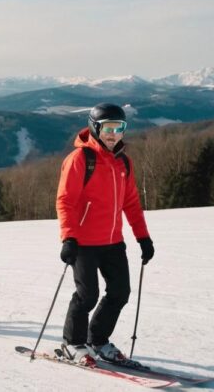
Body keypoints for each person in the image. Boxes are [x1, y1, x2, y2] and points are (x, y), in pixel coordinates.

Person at [56, 103, 155, 365]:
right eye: (108, 128)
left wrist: (143, 237)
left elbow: (131, 202)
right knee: (87, 296)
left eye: (119, 128)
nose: (113, 134)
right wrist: (68, 238)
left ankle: (97, 339)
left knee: (120, 292)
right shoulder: (80, 159)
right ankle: (72, 344)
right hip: (83, 243)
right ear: (95, 127)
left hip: (113, 242)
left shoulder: (123, 162)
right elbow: (65, 201)